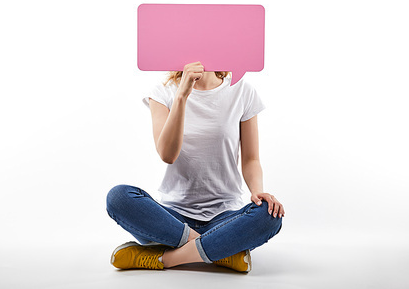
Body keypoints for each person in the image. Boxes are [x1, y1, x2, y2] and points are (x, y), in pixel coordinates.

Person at [106, 61, 284, 272]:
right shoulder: (163, 93)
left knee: (270, 215)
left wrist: (258, 192)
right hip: (171, 219)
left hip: (225, 217)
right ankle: (220, 250)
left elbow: (251, 159)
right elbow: (167, 155)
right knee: (118, 197)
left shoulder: (242, 91)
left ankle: (165, 258)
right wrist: (181, 96)